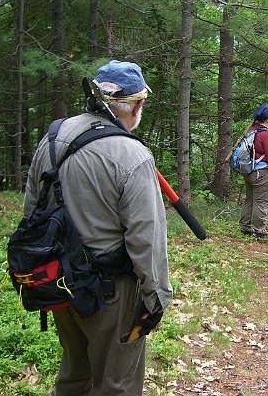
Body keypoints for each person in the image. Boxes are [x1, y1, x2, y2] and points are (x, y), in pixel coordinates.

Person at [23, 60, 172, 396]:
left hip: (59, 283)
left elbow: (32, 212)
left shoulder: (53, 137)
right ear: (137, 105)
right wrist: (156, 299)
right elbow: (146, 239)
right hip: (111, 294)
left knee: (74, 376)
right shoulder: (133, 156)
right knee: (116, 384)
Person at [239, 103, 268, 243]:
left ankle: (245, 228)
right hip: (262, 174)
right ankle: (259, 231)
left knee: (250, 199)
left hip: (250, 172)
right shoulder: (266, 135)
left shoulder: (252, 131)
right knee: (261, 202)